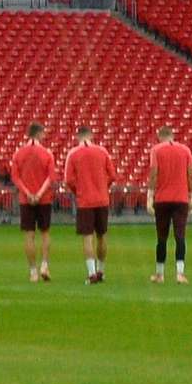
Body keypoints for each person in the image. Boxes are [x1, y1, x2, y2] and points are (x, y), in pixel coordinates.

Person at [65, 122, 116, 284]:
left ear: (77, 137)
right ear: (91, 135)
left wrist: (78, 191)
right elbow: (112, 175)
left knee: (88, 238)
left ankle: (92, 272)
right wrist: (103, 187)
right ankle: (101, 270)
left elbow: (69, 180)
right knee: (102, 236)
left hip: (85, 201)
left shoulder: (73, 154)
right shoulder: (102, 152)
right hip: (102, 199)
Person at [10, 121, 58, 284]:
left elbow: (15, 178)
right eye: (43, 133)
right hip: (43, 199)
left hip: (26, 199)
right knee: (45, 233)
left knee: (29, 236)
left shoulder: (18, 153)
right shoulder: (47, 153)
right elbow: (50, 178)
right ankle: (44, 265)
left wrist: (28, 193)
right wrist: (38, 193)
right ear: (38, 134)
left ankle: (33, 271)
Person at [149, 124, 192, 284]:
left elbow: (154, 173)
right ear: (172, 135)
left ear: (160, 136)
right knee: (180, 236)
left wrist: (150, 196)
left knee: (161, 237)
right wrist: (191, 197)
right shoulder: (185, 150)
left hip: (162, 199)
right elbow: (190, 175)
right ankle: (180, 273)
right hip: (181, 198)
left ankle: (160, 274)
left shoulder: (156, 150)